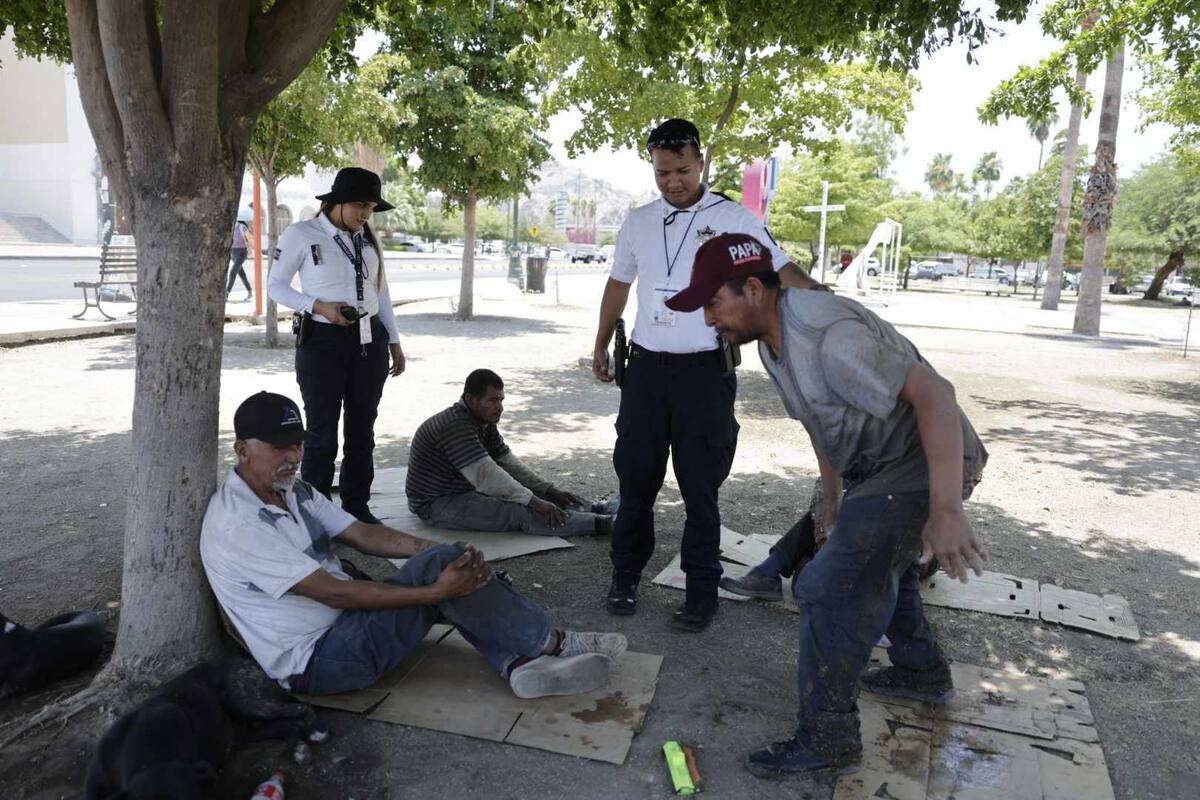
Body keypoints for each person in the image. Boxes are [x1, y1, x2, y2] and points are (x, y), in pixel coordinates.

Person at [662, 232, 988, 778]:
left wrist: (946, 510)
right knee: (879, 563)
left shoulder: (829, 336)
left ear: (752, 288)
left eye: (713, 303)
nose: (708, 319)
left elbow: (938, 395)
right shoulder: (771, 342)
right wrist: (831, 502)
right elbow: (822, 421)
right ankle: (921, 671)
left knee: (827, 590)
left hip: (920, 464)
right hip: (877, 469)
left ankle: (829, 738)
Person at [201, 392, 628, 699]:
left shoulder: (293, 490)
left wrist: (440, 552)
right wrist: (434, 590)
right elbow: (333, 591)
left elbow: (364, 535)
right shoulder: (239, 523)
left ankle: (518, 665)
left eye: (298, 444)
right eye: (279, 448)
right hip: (321, 661)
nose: (293, 456)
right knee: (443, 575)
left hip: (345, 628)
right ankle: (552, 643)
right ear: (241, 449)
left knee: (445, 563)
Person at [591, 118, 822, 633]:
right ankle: (625, 575)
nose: (673, 181)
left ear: (701, 163)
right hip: (646, 373)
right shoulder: (639, 222)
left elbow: (781, 271)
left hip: (705, 376)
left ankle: (700, 591)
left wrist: (828, 305)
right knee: (636, 482)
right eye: (663, 172)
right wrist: (601, 340)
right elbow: (618, 284)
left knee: (701, 490)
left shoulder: (736, 219)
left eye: (683, 170)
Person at [268, 167, 407, 525]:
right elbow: (276, 286)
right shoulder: (302, 234)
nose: (366, 214)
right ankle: (315, 514)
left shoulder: (367, 240)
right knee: (321, 433)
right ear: (338, 202)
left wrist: (393, 341)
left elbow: (382, 293)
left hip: (369, 340)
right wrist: (317, 306)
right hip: (322, 342)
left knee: (363, 430)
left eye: (372, 207)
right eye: (361, 205)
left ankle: (356, 508)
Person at [406, 369, 614, 537]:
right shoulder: (455, 425)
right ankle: (604, 524)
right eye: (492, 401)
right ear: (471, 400)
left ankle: (596, 509)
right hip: (436, 503)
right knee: (519, 512)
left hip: (466, 488)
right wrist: (536, 502)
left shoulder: (482, 421)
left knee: (535, 495)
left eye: (501, 400)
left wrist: (548, 490)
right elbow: (487, 476)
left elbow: (508, 463)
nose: (500, 407)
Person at [226, 217, 252, 301]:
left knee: (233, 271)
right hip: (233, 252)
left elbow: (250, 238)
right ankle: (250, 292)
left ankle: (226, 293)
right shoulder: (229, 227)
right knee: (241, 274)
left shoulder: (242, 227)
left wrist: (251, 249)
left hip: (242, 252)